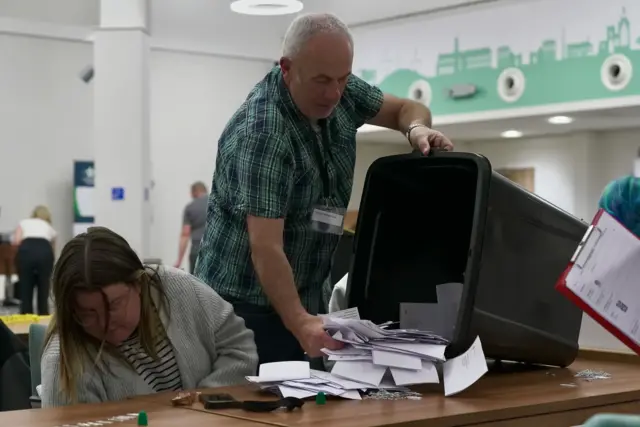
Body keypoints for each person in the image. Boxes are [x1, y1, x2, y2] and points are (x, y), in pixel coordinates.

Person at [195, 13, 454, 365]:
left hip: (308, 296)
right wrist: (300, 322)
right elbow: (265, 247)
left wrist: (417, 129)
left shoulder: (341, 92)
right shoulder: (264, 132)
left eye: (342, 79)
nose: (333, 93)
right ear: (287, 68)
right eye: (321, 81)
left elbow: (407, 109)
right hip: (243, 309)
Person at [40, 226, 257, 407]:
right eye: (89, 313)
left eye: (115, 305)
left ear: (139, 284)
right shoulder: (63, 360)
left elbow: (237, 346)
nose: (107, 323)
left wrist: (204, 403)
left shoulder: (176, 288)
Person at [13, 205, 57, 315]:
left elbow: (16, 241)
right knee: (44, 286)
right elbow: (53, 246)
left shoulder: (23, 222)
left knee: (25, 286)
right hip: (45, 251)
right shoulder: (48, 226)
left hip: (26, 251)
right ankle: (43, 316)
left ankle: (25, 318)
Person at [174, 181, 208, 273]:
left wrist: (179, 260)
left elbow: (185, 234)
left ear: (195, 192)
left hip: (197, 251)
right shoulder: (216, 204)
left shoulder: (190, 207)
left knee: (197, 285)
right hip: (216, 252)